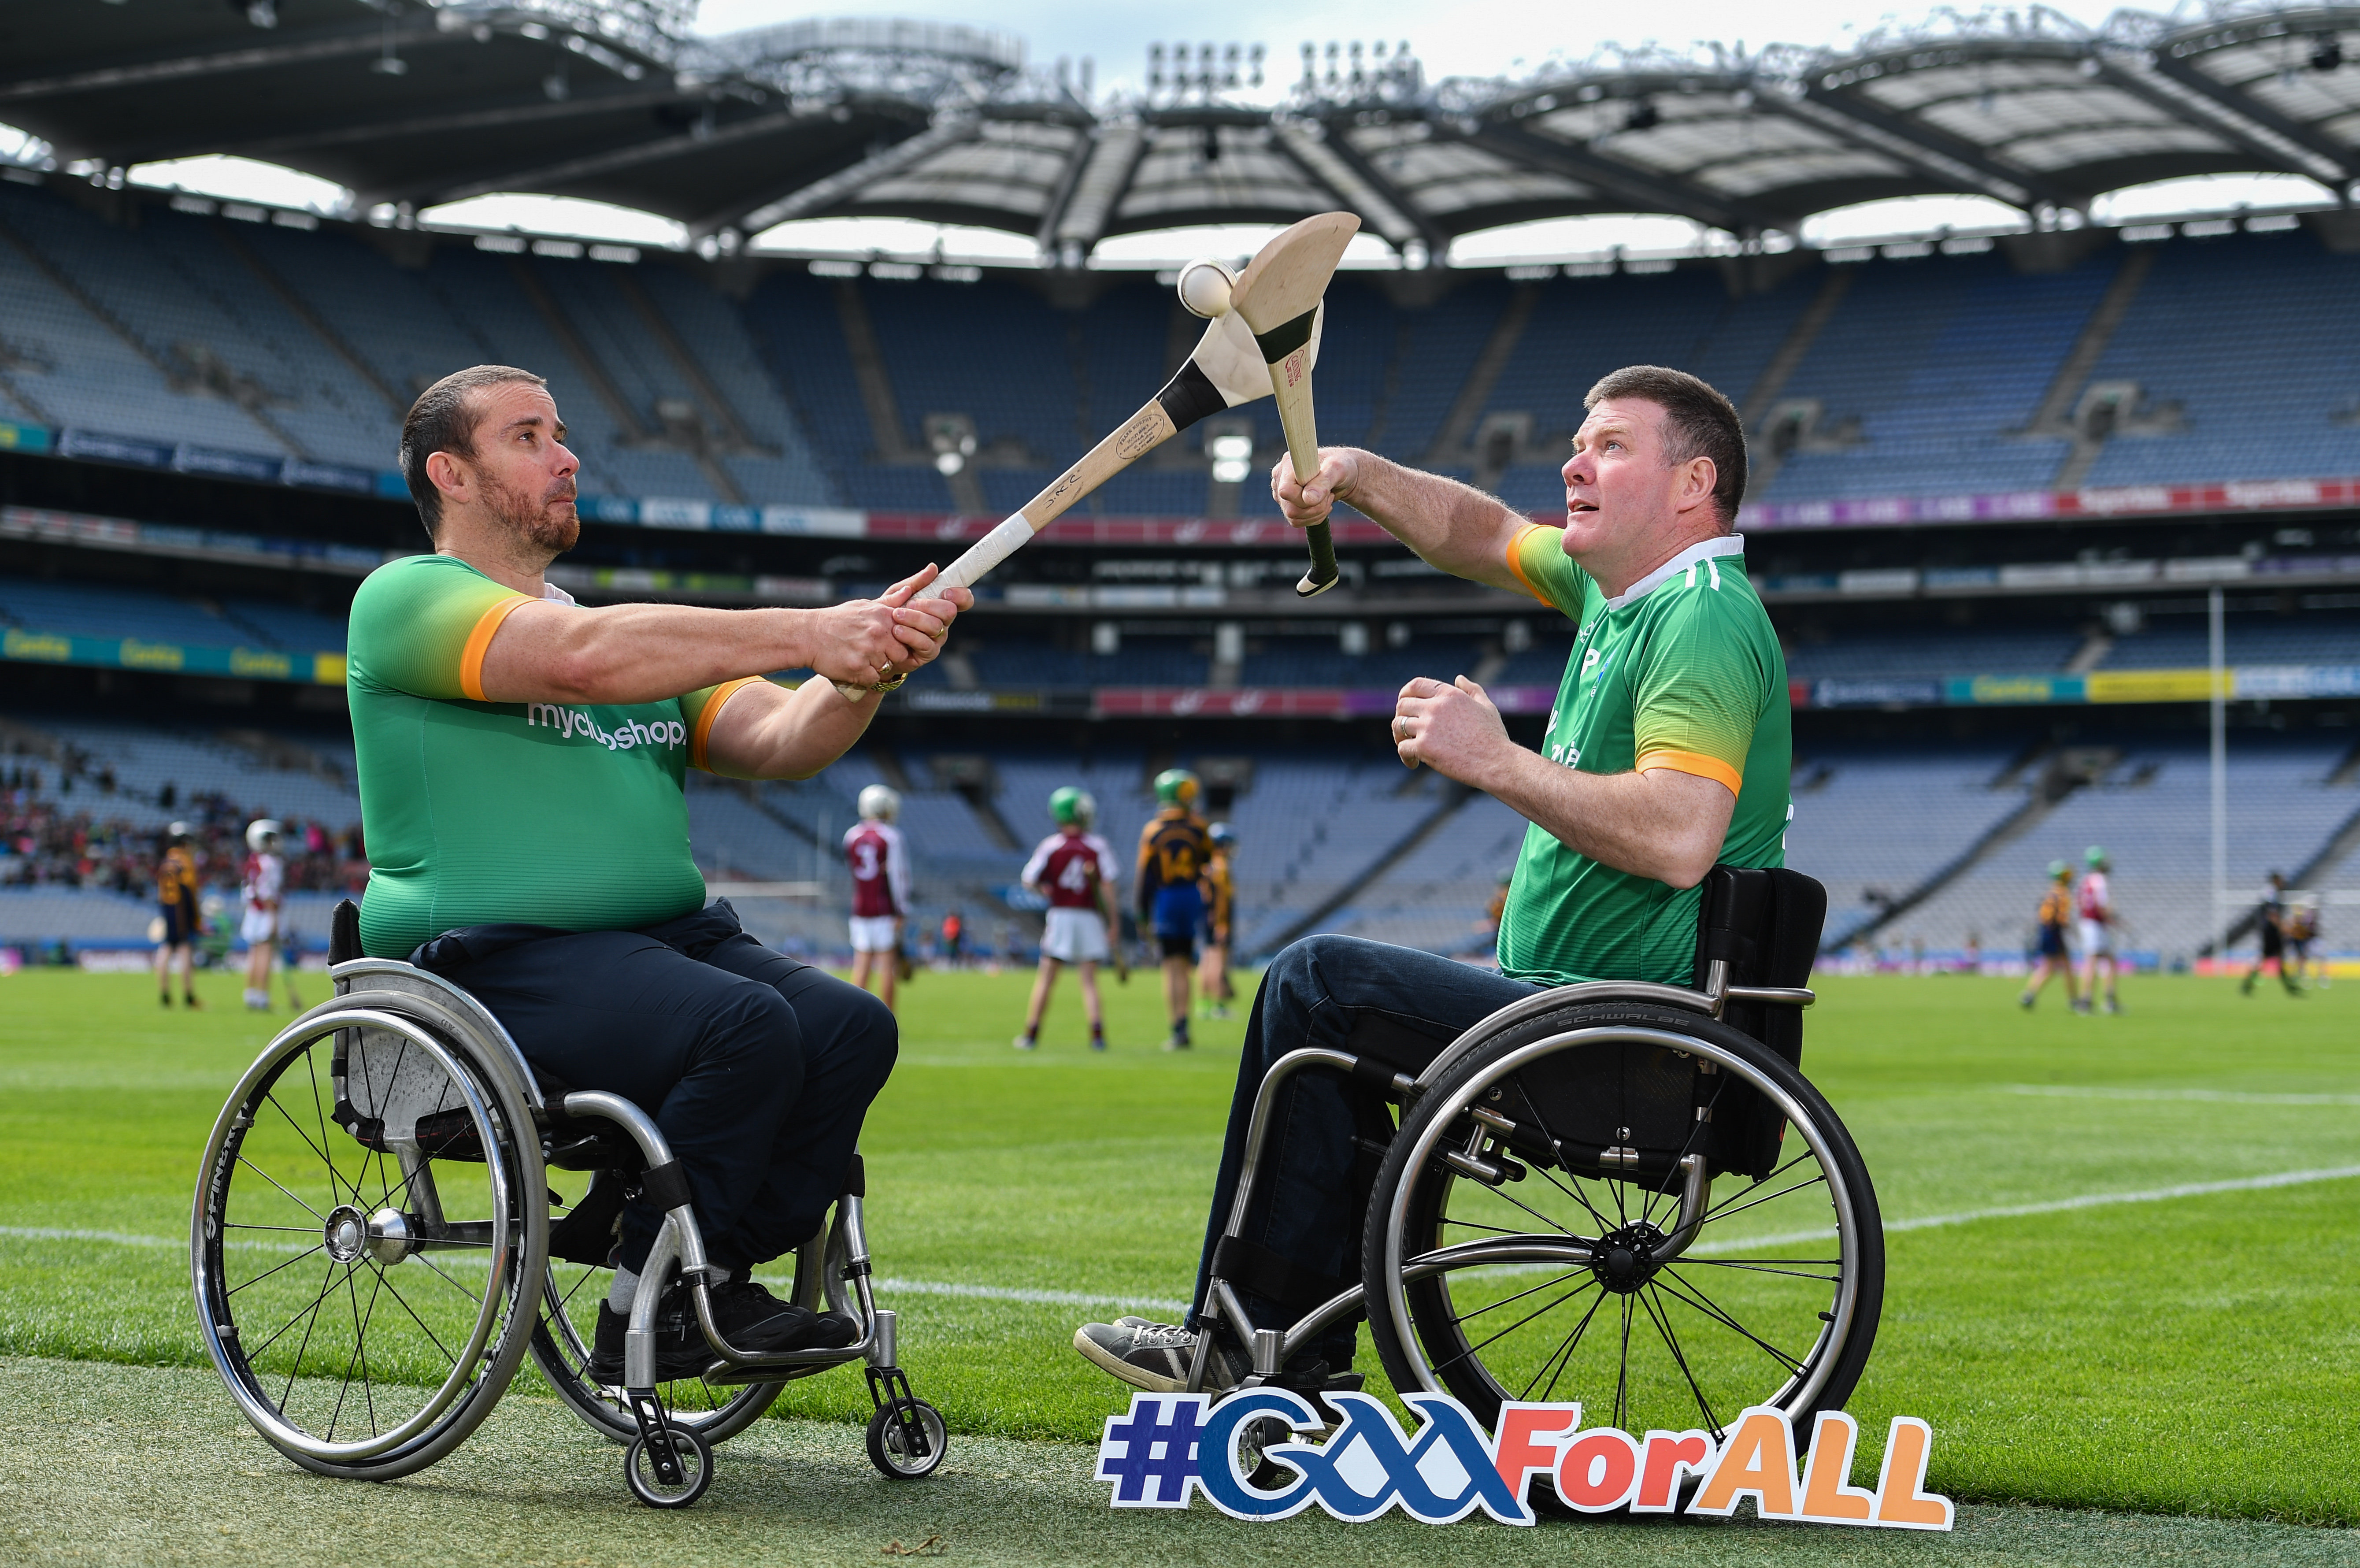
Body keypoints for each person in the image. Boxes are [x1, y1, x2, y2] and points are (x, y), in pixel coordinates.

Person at [1074, 364, 1791, 1396]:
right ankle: (1283, 1357)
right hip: (1580, 1016)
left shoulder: (1700, 618)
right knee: (1334, 1021)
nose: (1572, 461)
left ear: (1692, 485)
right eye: (1578, 442)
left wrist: (1493, 759)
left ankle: (1246, 1344)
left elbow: (1681, 836)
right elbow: (1480, 530)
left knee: (1316, 983)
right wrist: (1354, 474)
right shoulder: (1622, 588)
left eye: (1609, 445)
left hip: (1625, 1038)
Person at [348, 363, 969, 1378]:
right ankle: (652, 1297)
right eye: (530, 436)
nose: (567, 456)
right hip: (491, 953)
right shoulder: (408, 600)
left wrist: (868, 668)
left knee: (853, 1026)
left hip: (658, 945)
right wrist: (812, 629)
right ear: (449, 475)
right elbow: (577, 659)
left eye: (561, 433)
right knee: (745, 1025)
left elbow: (781, 734)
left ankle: (700, 1264)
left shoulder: (631, 646)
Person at [1014, 786, 1124, 1051]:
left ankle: (1031, 1034)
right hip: (1089, 918)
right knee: (1089, 981)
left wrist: (1045, 889)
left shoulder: (1051, 845)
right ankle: (1097, 1035)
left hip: (1061, 917)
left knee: (1046, 979)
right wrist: (1113, 922)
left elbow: (1028, 879)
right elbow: (1108, 888)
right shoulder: (1097, 846)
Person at [1137, 768, 1211, 1051]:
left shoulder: (1153, 830)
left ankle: (1177, 1029)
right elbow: (1207, 862)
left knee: (1171, 967)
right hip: (1191, 897)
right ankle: (1185, 1026)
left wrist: (1142, 913)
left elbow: (1145, 877)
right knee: (1185, 964)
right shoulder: (1199, 827)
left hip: (1167, 899)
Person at [844, 785, 910, 1010]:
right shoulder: (891, 837)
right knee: (886, 967)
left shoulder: (851, 836)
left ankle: (854, 1021)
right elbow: (899, 877)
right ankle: (889, 1021)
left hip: (860, 907)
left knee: (861, 967)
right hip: (884, 910)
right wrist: (901, 911)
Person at [238, 818, 301, 1012]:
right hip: (267, 912)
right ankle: (263, 996)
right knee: (265, 953)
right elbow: (267, 893)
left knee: (254, 953)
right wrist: (274, 918)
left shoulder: (253, 860)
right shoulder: (270, 863)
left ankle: (251, 995)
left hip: (253, 912)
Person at [153, 821, 204, 1008]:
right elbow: (190, 893)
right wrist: (196, 920)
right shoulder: (185, 863)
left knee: (166, 950)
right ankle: (189, 995)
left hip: (167, 911)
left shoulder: (165, 863)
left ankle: (165, 993)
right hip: (182, 914)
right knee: (185, 952)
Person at [2019, 860, 2079, 1011]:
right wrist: (2074, 931)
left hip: (2046, 931)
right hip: (2055, 932)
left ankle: (2029, 994)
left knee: (2050, 966)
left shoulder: (2050, 892)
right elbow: (2062, 918)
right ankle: (2073, 1000)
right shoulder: (2063, 893)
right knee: (2065, 966)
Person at [1197, 821, 1237, 1018]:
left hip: (1207, 919)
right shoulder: (1220, 867)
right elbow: (1222, 899)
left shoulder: (1206, 867)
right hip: (1218, 921)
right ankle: (1219, 1006)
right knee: (1218, 962)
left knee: (1206, 960)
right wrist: (1222, 924)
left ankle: (1204, 1005)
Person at [2075, 845, 2121, 1014]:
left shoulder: (2086, 879)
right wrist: (2112, 920)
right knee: (2096, 960)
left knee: (2100, 960)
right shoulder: (2100, 880)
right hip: (2097, 924)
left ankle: (2093, 1000)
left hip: (2087, 922)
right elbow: (2102, 905)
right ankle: (2094, 1001)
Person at [2241, 871, 2302, 997]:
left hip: (2271, 931)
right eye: (2281, 880)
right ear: (2276, 880)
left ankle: (2289, 987)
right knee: (2268, 959)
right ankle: (2248, 985)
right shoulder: (2271, 892)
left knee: (2278, 959)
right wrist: (2282, 927)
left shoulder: (2272, 892)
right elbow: (2272, 914)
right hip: (2271, 932)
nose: (2283, 883)